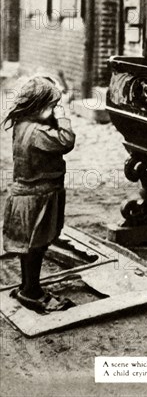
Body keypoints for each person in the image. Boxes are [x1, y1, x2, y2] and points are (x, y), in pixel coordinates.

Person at [2, 76, 76, 313]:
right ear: (37, 106)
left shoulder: (23, 124)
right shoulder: (38, 133)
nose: (54, 110)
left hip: (29, 195)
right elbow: (66, 141)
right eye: (51, 106)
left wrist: (50, 114)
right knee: (37, 246)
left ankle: (27, 287)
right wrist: (62, 117)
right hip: (38, 196)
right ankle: (31, 292)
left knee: (31, 246)